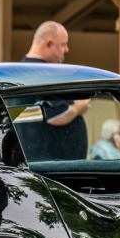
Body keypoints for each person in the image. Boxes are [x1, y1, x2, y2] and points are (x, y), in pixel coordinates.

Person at [19, 21, 89, 160]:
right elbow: (56, 115)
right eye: (63, 44)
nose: (67, 49)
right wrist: (78, 107)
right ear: (49, 44)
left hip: (43, 162)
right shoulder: (43, 74)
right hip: (53, 166)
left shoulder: (22, 71)